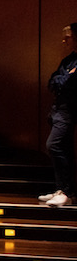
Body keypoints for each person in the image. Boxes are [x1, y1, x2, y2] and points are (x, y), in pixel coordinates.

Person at [42, 21, 77, 207]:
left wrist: (63, 79)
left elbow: (67, 84)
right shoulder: (68, 61)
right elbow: (53, 82)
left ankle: (67, 190)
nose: (64, 40)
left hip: (69, 111)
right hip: (59, 109)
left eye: (68, 37)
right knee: (63, 149)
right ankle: (63, 189)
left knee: (54, 145)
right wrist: (66, 76)